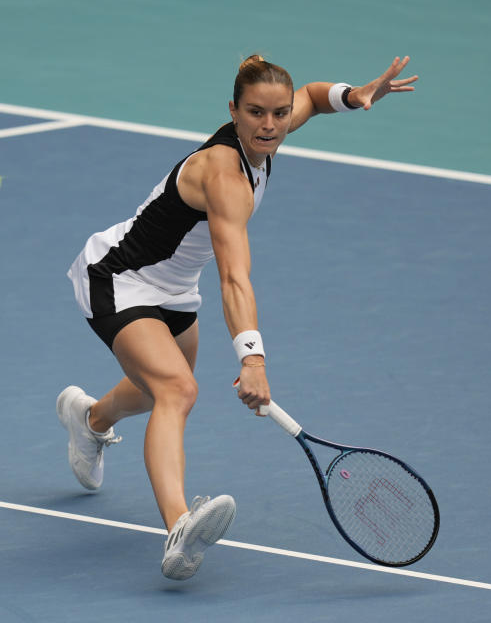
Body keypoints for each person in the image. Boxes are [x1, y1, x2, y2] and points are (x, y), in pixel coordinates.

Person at [58, 54, 418, 580]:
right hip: (119, 277)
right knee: (177, 390)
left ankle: (89, 420)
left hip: (175, 289)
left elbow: (313, 97)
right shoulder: (224, 175)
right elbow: (233, 277)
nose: (269, 125)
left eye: (277, 113)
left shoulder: (271, 129)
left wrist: (353, 94)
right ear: (233, 110)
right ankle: (179, 527)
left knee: (154, 390)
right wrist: (253, 357)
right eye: (255, 114)